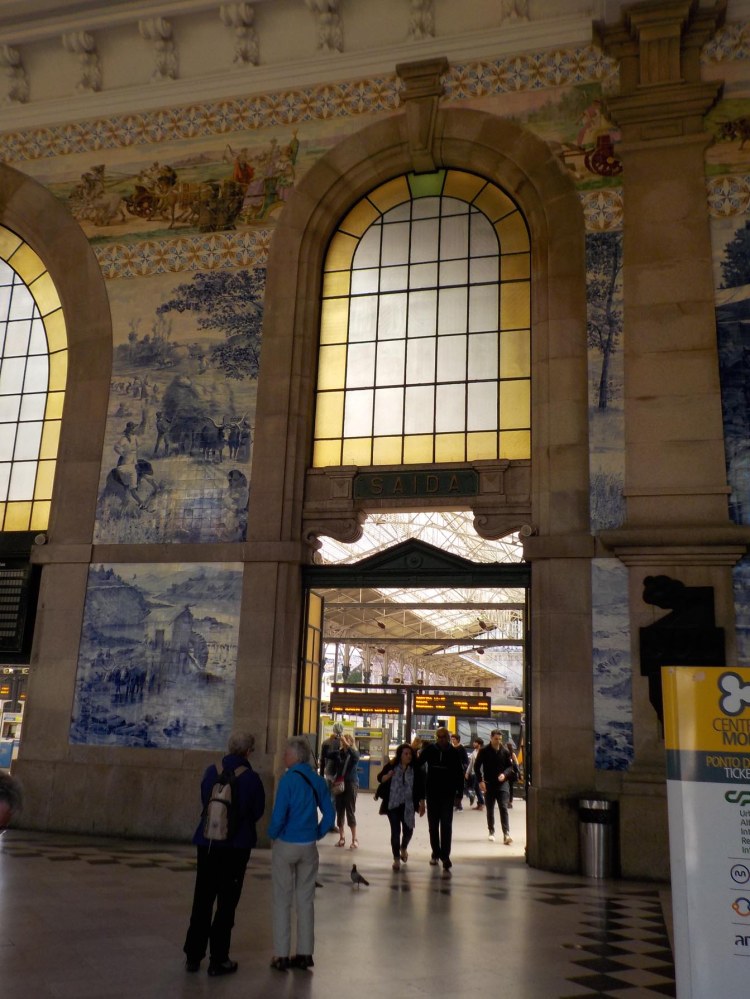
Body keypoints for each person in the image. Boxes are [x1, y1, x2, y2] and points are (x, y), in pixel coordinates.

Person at [183, 731, 265, 977]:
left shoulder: (211, 771)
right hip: (236, 848)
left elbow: (204, 801)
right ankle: (219, 959)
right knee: (226, 903)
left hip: (207, 843)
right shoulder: (251, 778)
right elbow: (257, 811)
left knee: (202, 899)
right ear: (248, 751)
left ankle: (193, 956)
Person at [268, 735, 335, 972]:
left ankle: (281, 955)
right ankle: (305, 953)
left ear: (296, 756)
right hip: (308, 846)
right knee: (306, 900)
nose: (284, 756)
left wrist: (272, 833)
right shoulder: (316, 780)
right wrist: (317, 832)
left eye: (286, 753)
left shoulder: (287, 780)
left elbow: (279, 814)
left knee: (282, 899)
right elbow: (329, 813)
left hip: (286, 844)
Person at [416, 726, 465, 878]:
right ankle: (435, 852)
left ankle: (445, 856)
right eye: (440, 737)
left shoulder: (454, 752)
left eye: (445, 737)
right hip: (432, 793)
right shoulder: (430, 750)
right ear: (437, 738)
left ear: (448, 737)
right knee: (433, 825)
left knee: (446, 825)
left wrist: (459, 794)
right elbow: (418, 764)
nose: (442, 740)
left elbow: (459, 774)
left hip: (447, 794)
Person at [376, 743, 425, 870]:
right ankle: (396, 858)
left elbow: (420, 787)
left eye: (410, 754)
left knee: (408, 830)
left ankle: (404, 847)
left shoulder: (415, 769)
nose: (408, 756)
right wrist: (388, 776)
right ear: (400, 755)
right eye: (405, 754)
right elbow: (380, 778)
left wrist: (422, 803)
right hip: (393, 804)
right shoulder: (392, 766)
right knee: (395, 832)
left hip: (408, 805)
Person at [475, 729, 514, 845]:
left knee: (503, 807)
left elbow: (510, 767)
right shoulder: (484, 751)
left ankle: (506, 833)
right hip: (489, 784)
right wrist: (480, 781)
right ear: (491, 738)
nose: (498, 742)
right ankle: (491, 830)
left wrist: (504, 774)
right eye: (496, 739)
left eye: (500, 739)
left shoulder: (505, 751)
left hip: (502, 784)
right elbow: (477, 767)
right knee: (490, 808)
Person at [333, 732, 360, 849]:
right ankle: (342, 837)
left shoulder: (354, 754)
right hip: (339, 784)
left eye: (347, 740)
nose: (343, 742)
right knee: (339, 810)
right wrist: (331, 742)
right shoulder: (339, 754)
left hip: (350, 784)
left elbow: (355, 756)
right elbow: (327, 754)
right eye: (343, 741)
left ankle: (355, 839)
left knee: (350, 810)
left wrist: (347, 745)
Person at [450, 733, 470, 810]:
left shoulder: (461, 748)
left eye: (454, 739)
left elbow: (465, 760)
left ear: (458, 740)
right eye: (452, 739)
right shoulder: (450, 747)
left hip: (460, 771)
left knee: (460, 788)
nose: (452, 740)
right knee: (452, 788)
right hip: (451, 771)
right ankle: (453, 803)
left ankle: (458, 803)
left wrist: (466, 770)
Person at [466, 736, 485, 810]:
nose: (473, 743)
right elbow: (471, 763)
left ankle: (482, 803)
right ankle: (480, 803)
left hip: (480, 773)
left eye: (475, 742)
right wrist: (467, 772)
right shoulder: (474, 752)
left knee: (477, 788)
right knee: (476, 789)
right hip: (474, 773)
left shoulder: (483, 752)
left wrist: (483, 775)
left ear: (479, 744)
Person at [506, 740, 521, 807]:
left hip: (511, 773)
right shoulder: (504, 753)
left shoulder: (512, 754)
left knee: (510, 787)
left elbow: (516, 763)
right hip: (506, 773)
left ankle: (510, 801)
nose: (504, 747)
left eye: (506, 746)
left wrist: (515, 770)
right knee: (506, 787)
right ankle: (507, 800)